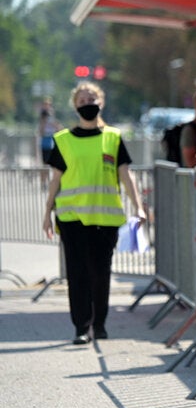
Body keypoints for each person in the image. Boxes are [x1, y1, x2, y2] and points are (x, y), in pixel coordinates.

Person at [41, 82, 147, 344]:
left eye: (92, 98)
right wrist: (47, 212)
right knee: (77, 274)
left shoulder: (113, 137)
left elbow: (125, 174)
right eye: (82, 99)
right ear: (75, 106)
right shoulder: (63, 140)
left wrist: (139, 206)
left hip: (105, 219)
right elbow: (55, 180)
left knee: (100, 273)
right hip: (71, 218)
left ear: (101, 101)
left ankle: (99, 323)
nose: (87, 103)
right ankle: (81, 326)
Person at [37, 97, 62, 165]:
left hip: (52, 141)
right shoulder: (42, 116)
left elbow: (58, 128)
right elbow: (40, 131)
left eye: (48, 105)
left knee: (52, 162)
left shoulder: (52, 117)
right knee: (45, 163)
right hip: (45, 141)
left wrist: (54, 124)